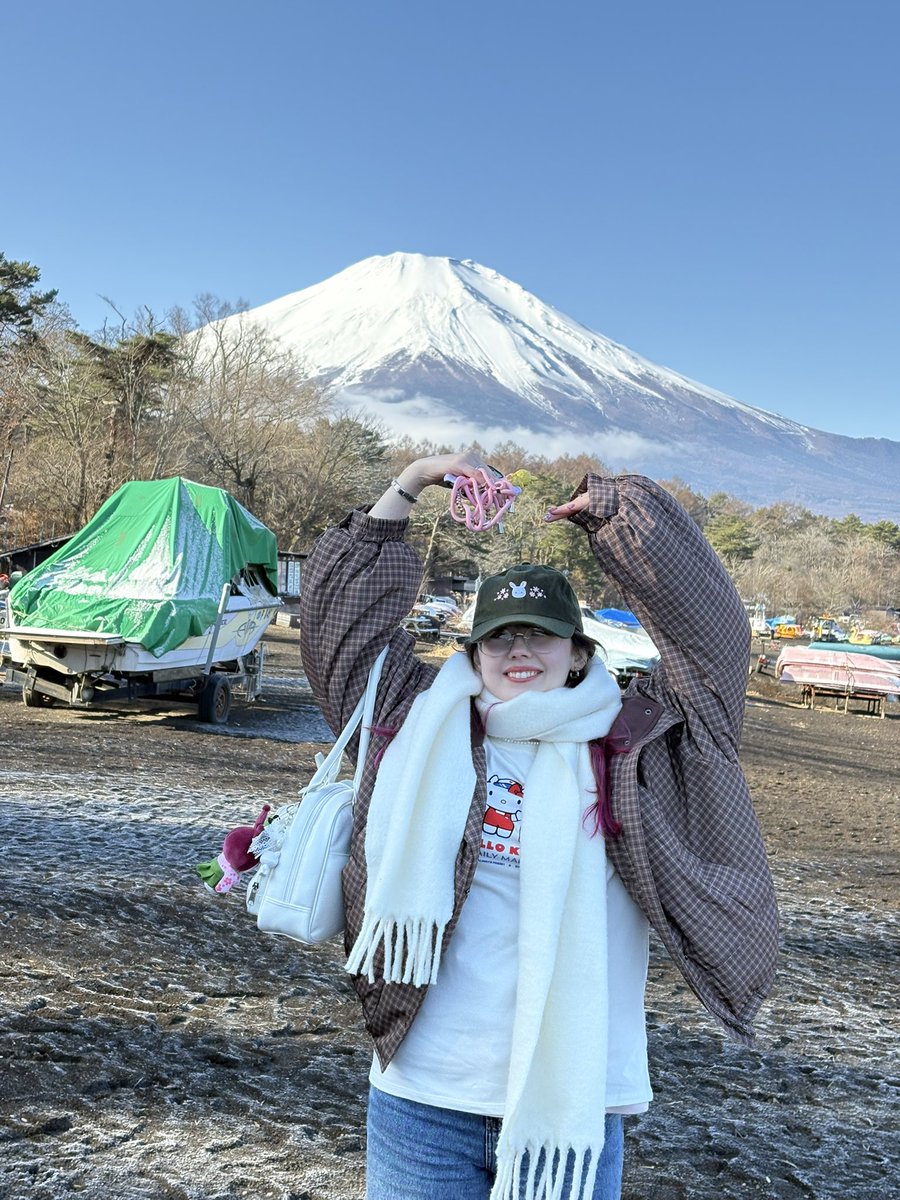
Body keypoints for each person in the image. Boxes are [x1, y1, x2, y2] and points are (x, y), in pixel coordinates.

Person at [299, 452, 778, 1200]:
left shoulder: (641, 742)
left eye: (541, 634)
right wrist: (412, 481)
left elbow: (713, 647)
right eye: (499, 636)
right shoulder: (414, 723)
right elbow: (341, 632)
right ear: (474, 650)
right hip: (424, 1094)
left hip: (577, 1102)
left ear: (581, 650)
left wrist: (627, 516)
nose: (519, 650)